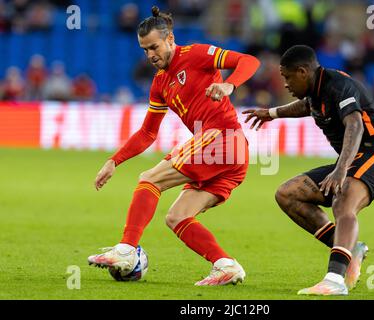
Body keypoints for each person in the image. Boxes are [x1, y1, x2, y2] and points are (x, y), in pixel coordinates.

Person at [87, 6, 260, 286]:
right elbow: (147, 132)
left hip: (222, 138)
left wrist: (230, 85)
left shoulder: (196, 54)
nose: (150, 55)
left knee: (149, 179)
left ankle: (127, 250)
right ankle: (226, 265)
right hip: (227, 156)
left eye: (154, 47)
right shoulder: (160, 83)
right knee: (177, 217)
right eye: (144, 50)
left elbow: (249, 61)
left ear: (170, 39)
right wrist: (114, 160)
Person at [243, 45, 374, 295]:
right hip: (354, 159)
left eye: (287, 76)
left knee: (343, 200)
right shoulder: (315, 92)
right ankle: (351, 248)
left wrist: (341, 169)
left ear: (303, 72)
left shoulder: (338, 85)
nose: (284, 83)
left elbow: (355, 125)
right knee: (287, 193)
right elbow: (307, 107)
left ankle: (335, 280)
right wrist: (272, 113)